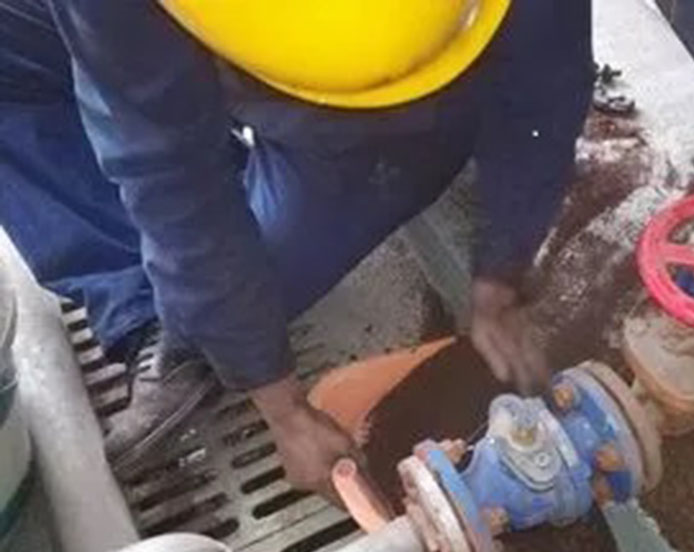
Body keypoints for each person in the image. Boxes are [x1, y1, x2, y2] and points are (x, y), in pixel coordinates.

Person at [0, 0, 593, 500]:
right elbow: (169, 172)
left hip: (385, 109)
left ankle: (293, 167)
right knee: (209, 311)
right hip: (178, 30)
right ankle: (140, 301)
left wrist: (503, 268)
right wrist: (280, 405)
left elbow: (546, 80)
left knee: (232, 298)